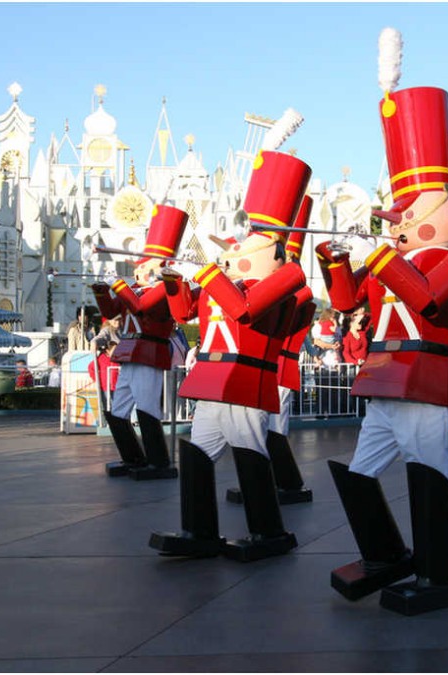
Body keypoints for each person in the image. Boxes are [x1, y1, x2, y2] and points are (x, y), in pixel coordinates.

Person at [316, 51, 448, 615]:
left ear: (442, 207)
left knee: (427, 468)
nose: (395, 221)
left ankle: (439, 573)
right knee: (361, 471)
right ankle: (386, 553)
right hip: (385, 379)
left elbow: (429, 297)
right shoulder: (393, 261)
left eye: (406, 209)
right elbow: (347, 305)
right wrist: (336, 259)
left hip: (427, 376)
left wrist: (383, 260)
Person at [150, 148, 311, 562]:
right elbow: (183, 312)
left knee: (250, 449)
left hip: (246, 378)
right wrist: (172, 280)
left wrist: (208, 271)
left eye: (248, 243)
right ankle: (198, 528)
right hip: (212, 380)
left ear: (274, 251)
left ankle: (268, 530)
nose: (236, 248)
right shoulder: (226, 283)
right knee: (198, 452)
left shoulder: (282, 281)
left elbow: (245, 310)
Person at [224, 194, 316, 506]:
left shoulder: (298, 294)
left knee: (274, 429)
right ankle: (270, 482)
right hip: (262, 366)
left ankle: (286, 482)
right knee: (258, 429)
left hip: (280, 367)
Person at [91, 204, 189, 481]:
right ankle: (132, 456)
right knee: (119, 406)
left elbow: (142, 308)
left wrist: (119, 286)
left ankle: (158, 461)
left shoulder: (164, 289)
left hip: (149, 349)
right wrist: (101, 289)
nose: (138, 270)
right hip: (129, 349)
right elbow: (111, 313)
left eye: (144, 265)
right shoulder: (134, 289)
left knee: (146, 406)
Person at [87, 337, 118, 411]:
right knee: (107, 407)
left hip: (116, 387)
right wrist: (97, 380)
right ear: (107, 350)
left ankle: (115, 421)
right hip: (104, 387)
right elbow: (91, 368)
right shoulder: (101, 358)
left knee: (116, 407)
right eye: (114, 350)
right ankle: (108, 420)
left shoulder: (118, 359)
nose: (116, 352)